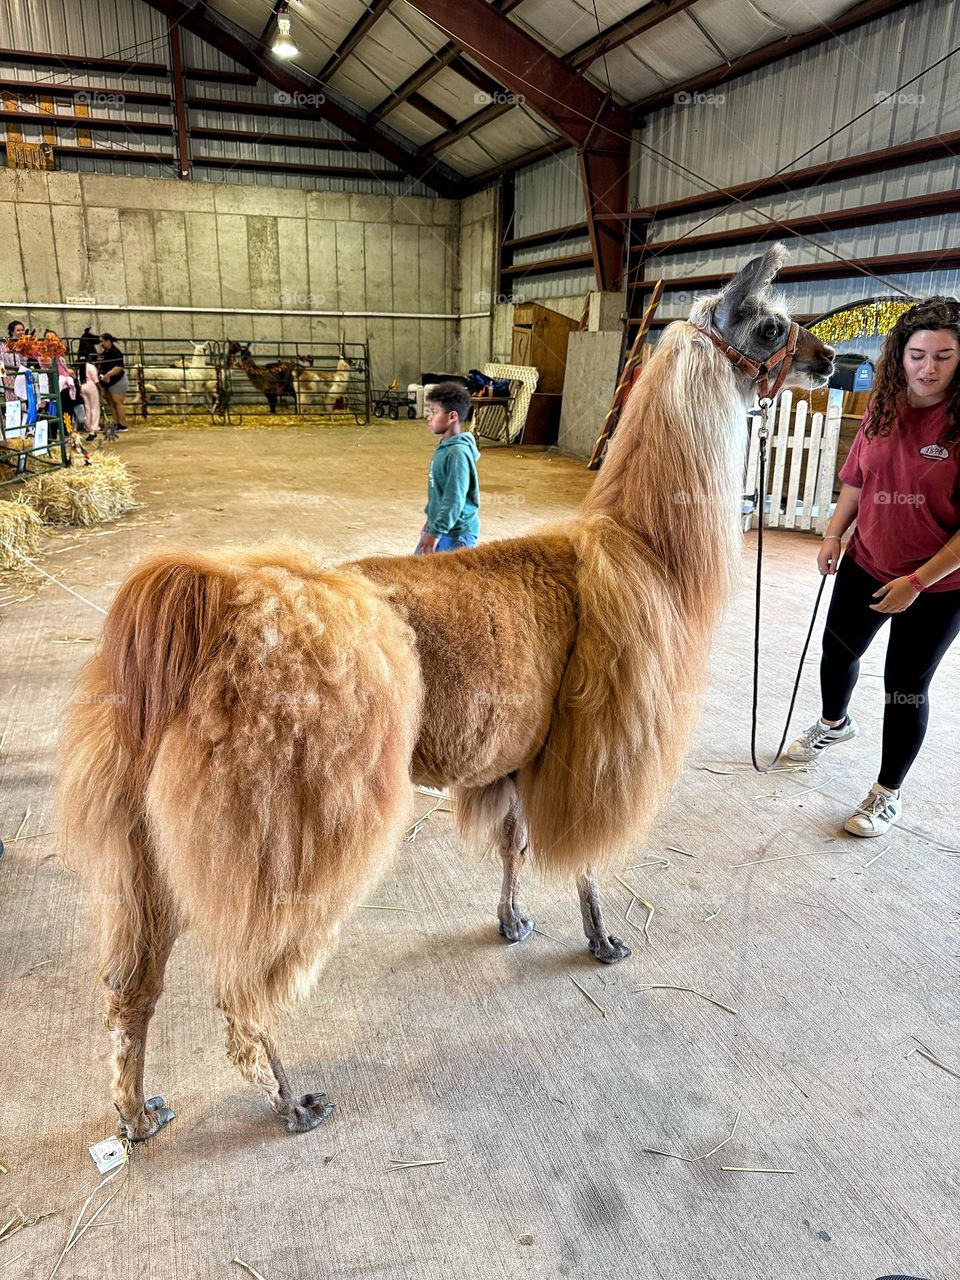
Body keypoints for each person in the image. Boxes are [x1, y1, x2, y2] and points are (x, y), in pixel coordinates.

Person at [787, 297, 960, 836]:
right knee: (838, 652)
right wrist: (834, 535)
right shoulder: (882, 409)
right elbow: (857, 481)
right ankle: (835, 724)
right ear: (899, 356)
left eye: (944, 356)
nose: (927, 368)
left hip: (938, 584)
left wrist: (916, 582)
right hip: (867, 561)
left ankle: (887, 792)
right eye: (916, 355)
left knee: (904, 685)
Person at [414, 382, 480, 554]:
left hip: (456, 535)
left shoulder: (457, 453)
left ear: (452, 416)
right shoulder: (444, 446)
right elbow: (439, 493)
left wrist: (435, 533)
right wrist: (431, 521)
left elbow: (454, 499)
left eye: (434, 412)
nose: (429, 417)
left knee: (451, 580)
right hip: (440, 528)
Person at [98, 333, 129, 432]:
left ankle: (122, 424)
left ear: (108, 341)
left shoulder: (115, 352)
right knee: (111, 402)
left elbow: (119, 367)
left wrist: (108, 374)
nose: (101, 344)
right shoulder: (106, 352)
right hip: (109, 381)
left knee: (117, 401)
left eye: (102, 341)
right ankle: (116, 422)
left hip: (117, 380)